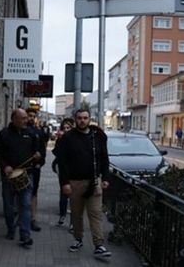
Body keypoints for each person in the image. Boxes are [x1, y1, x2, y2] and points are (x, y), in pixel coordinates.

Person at [57, 109, 112, 258]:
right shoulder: (68, 138)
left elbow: (105, 159)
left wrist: (105, 178)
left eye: (85, 118)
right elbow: (62, 163)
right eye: (80, 118)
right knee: (76, 214)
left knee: (95, 214)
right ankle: (78, 239)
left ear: (89, 119)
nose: (82, 120)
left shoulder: (97, 137)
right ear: (75, 120)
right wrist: (65, 183)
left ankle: (99, 245)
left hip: (94, 182)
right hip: (75, 182)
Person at [0, 108, 41, 247]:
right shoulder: (4, 134)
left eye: (26, 118)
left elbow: (38, 153)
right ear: (14, 119)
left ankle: (25, 235)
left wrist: (38, 157)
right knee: (9, 205)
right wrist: (4, 166)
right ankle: (11, 228)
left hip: (26, 175)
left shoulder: (31, 134)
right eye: (23, 118)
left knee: (25, 204)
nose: (27, 120)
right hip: (9, 176)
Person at [25, 108, 47, 232]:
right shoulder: (21, 131)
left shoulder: (39, 132)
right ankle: (22, 217)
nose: (31, 118)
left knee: (34, 193)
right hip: (23, 168)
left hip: (35, 168)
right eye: (29, 115)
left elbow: (43, 150)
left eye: (33, 116)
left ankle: (33, 219)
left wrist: (40, 162)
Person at [52, 118, 74, 226]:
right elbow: (56, 152)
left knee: (74, 195)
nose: (66, 130)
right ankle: (62, 214)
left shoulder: (76, 139)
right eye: (64, 128)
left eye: (68, 128)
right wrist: (59, 140)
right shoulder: (61, 140)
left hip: (75, 170)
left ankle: (73, 222)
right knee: (64, 192)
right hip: (63, 170)